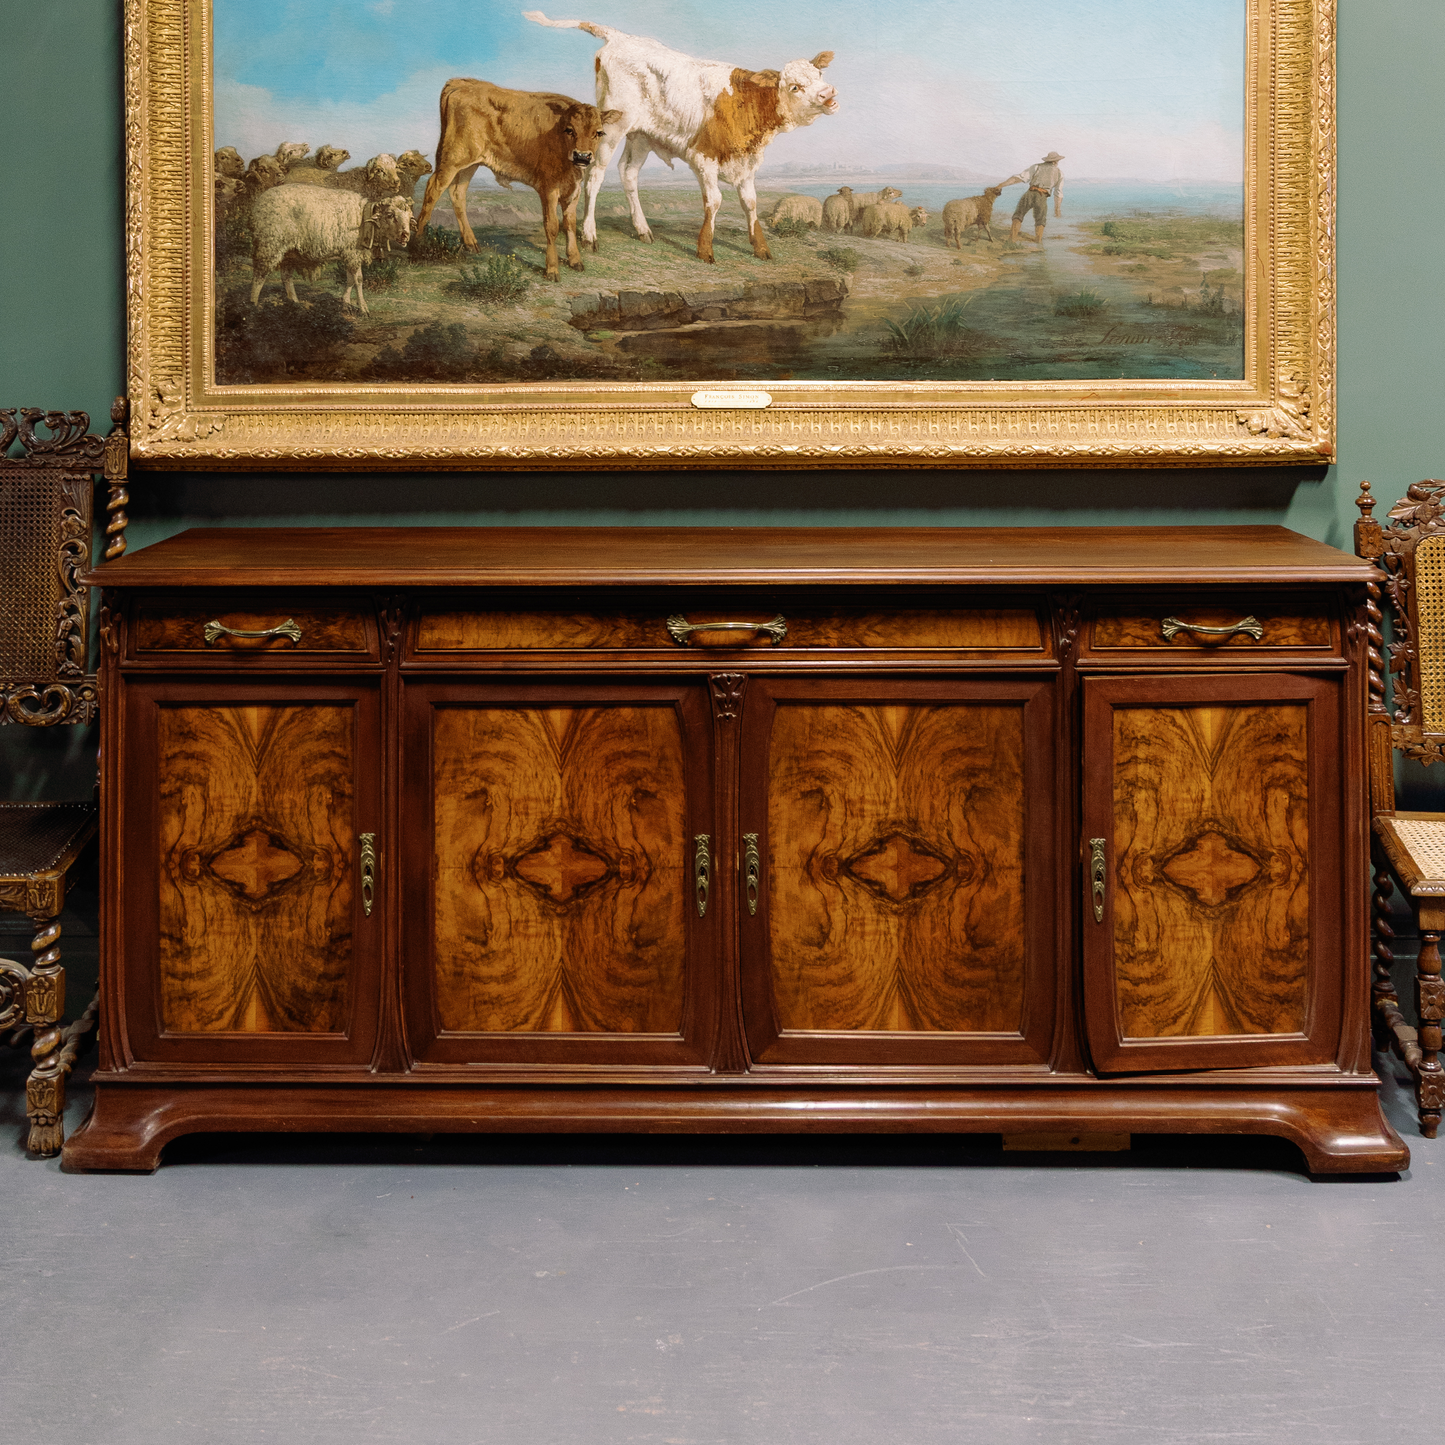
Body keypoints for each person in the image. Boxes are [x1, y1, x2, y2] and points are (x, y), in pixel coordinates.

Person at [1005, 151, 1064, 244]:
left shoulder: (1037, 167)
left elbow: (1020, 178)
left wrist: (1002, 185)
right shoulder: (1059, 173)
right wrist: (1057, 209)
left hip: (1030, 192)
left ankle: (1012, 239)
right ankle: (1038, 241)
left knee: (1018, 215)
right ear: (1055, 162)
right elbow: (1058, 193)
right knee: (1040, 219)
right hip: (1042, 196)